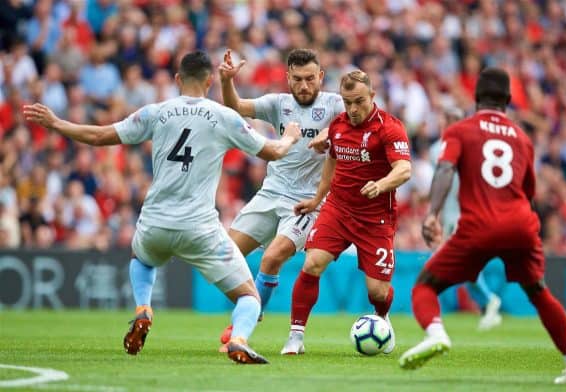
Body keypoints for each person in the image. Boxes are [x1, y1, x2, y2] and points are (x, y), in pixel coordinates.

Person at [23, 50, 302, 365]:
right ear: (211, 81)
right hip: (200, 228)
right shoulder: (224, 117)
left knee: (141, 258)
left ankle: (143, 308)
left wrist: (56, 122)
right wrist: (290, 137)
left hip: (155, 223)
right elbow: (274, 152)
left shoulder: (156, 112)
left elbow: (99, 136)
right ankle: (238, 339)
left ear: (177, 80)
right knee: (249, 298)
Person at [398, 68, 566, 385]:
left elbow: (446, 170)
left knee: (425, 286)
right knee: (539, 293)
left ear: (476, 98)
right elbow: (529, 191)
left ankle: (436, 333)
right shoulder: (522, 138)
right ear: (508, 100)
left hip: (479, 224)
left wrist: (432, 214)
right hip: (520, 225)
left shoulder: (461, 130)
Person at [217, 48, 345, 347]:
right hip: (270, 194)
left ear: (321, 77)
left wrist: (330, 132)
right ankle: (254, 305)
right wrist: (227, 81)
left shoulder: (335, 104)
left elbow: (359, 116)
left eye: (310, 79)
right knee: (224, 255)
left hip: (307, 203)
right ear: (288, 77)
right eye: (298, 79)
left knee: (271, 257)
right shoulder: (278, 104)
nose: (304, 86)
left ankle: (243, 326)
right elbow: (235, 105)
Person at [280, 70, 412, 355]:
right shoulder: (338, 126)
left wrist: (381, 184)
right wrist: (317, 199)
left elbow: (404, 169)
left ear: (372, 97)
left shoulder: (390, 128)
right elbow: (332, 160)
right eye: (347, 102)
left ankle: (383, 317)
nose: (353, 109)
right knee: (312, 263)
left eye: (359, 102)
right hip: (338, 209)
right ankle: (295, 337)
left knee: (377, 292)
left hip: (376, 217)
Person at [429, 107, 502, 331]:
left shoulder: (468, 148)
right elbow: (440, 182)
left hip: (464, 215)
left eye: (453, 120)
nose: (448, 124)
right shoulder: (438, 149)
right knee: (464, 266)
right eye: (447, 119)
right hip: (451, 214)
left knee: (454, 263)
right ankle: (487, 302)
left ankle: (487, 300)